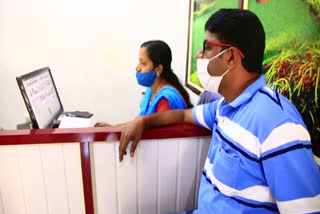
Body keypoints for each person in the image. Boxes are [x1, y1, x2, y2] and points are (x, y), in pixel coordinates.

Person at [119, 9, 320, 213]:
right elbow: (182, 114)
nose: (200, 55)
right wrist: (142, 121)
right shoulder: (223, 108)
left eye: (207, 48)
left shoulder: (278, 124)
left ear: (230, 57)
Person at [95, 40, 193, 127]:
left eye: (143, 63)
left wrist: (114, 131)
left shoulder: (165, 100)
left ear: (158, 68)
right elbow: (139, 122)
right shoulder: (151, 90)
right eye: (139, 62)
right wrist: (113, 127)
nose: (137, 68)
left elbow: (151, 133)